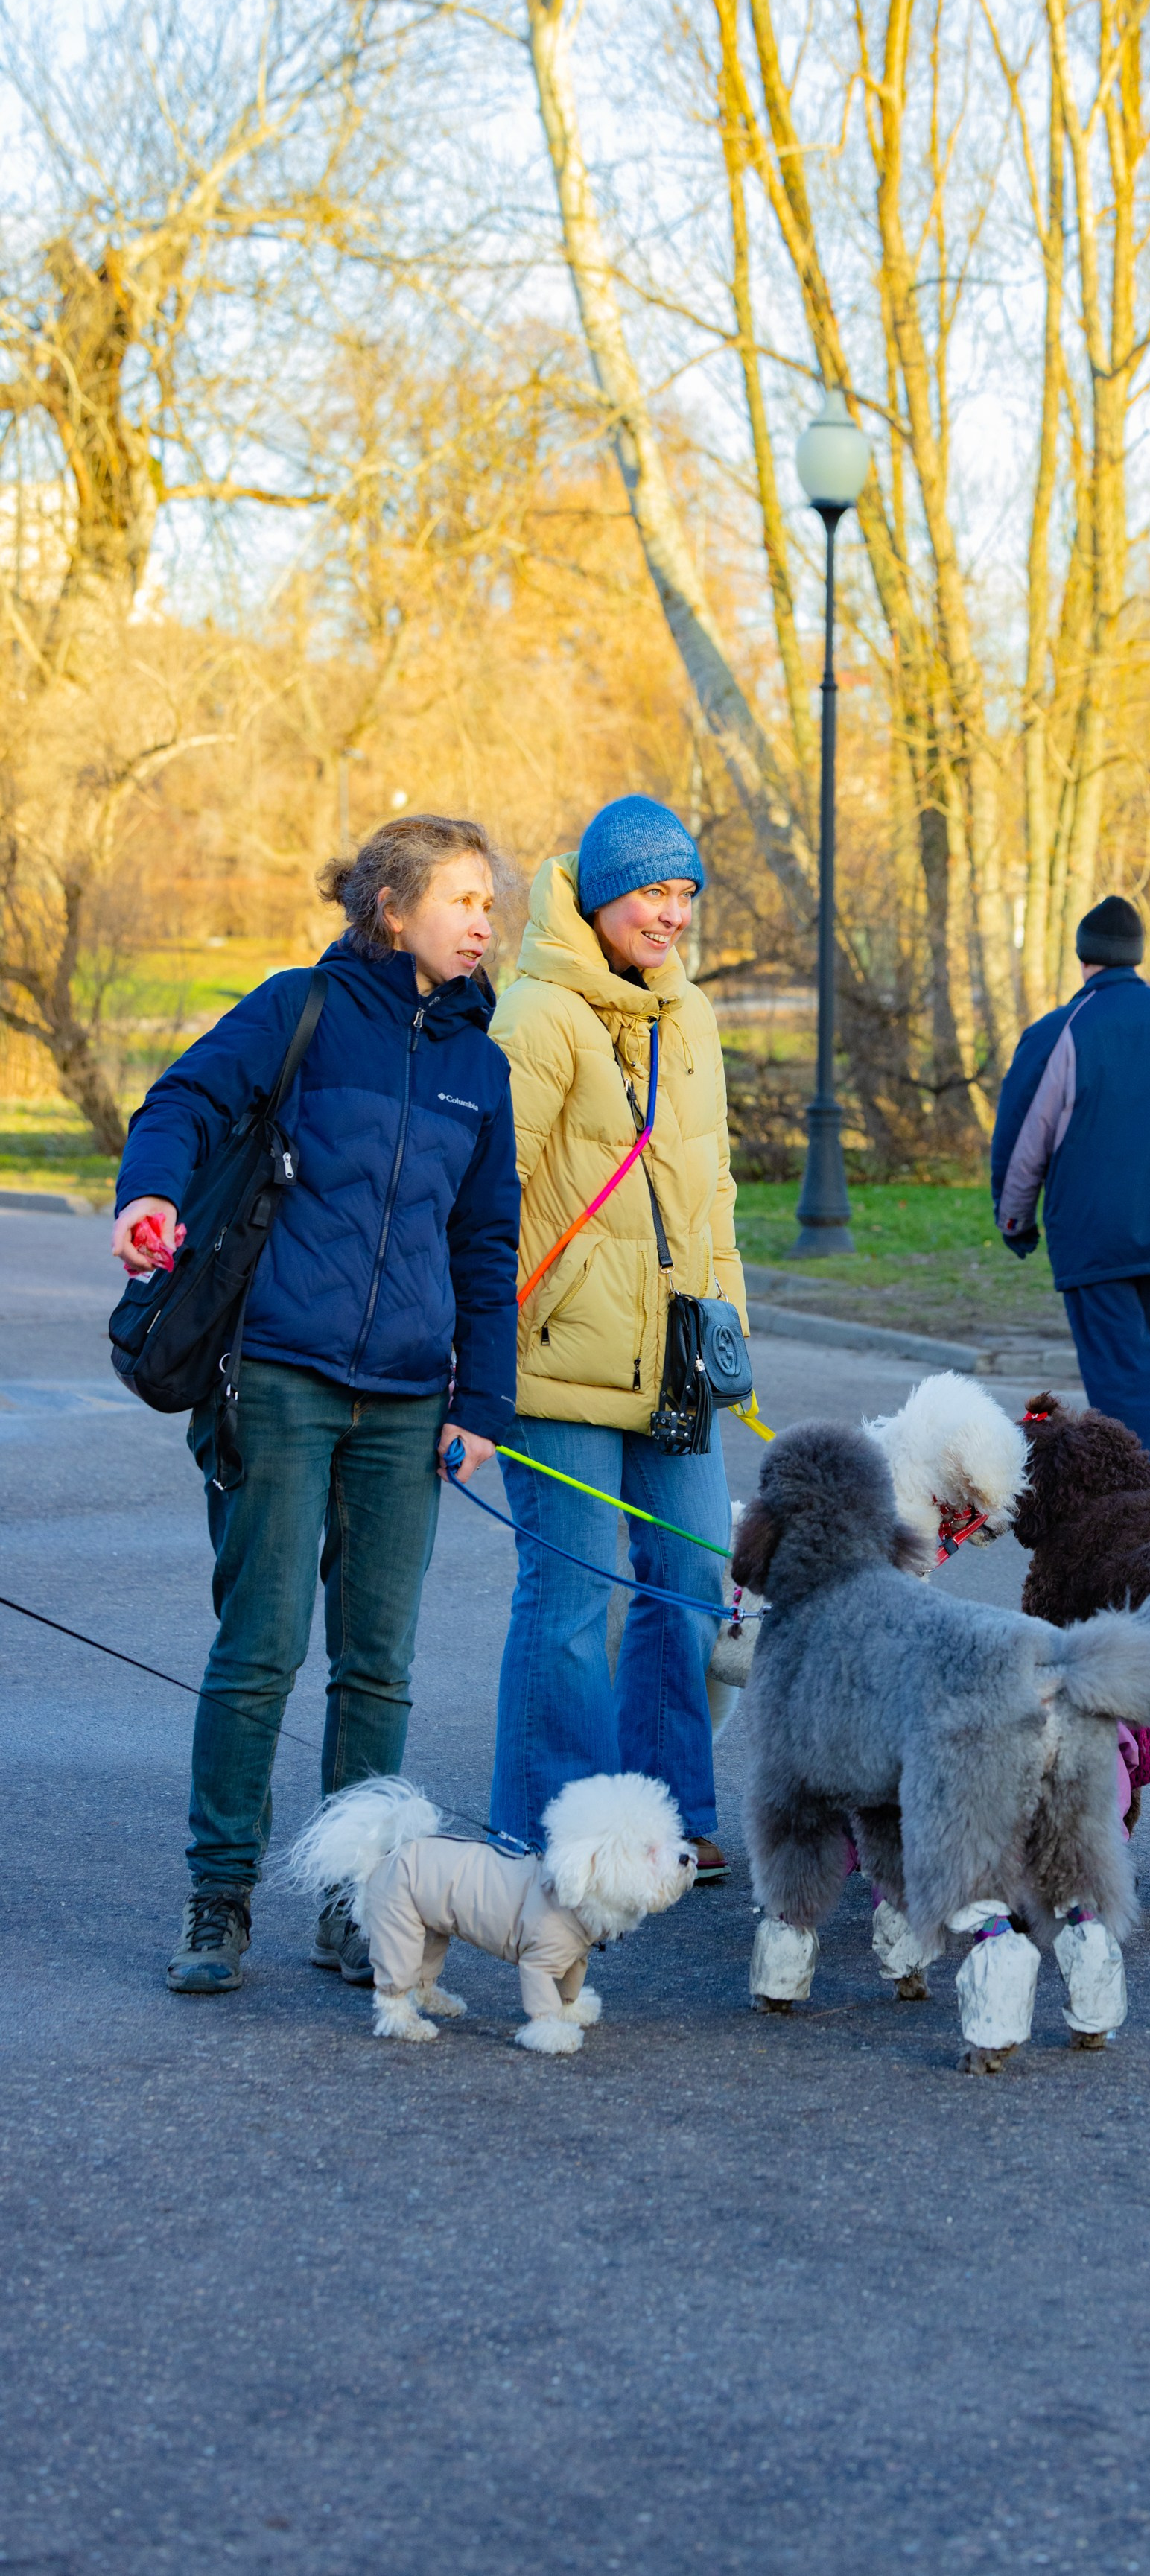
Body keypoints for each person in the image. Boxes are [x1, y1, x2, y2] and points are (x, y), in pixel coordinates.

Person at [112, 817, 521, 1996]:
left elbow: (486, 1242)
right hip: (280, 1379)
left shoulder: (477, 1065)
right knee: (260, 1652)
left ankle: (355, 1905)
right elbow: (181, 1104)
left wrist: (478, 1400)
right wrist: (148, 1200)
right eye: (461, 900)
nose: (484, 921)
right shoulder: (302, 1009)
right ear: (391, 910)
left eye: (490, 902)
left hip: (406, 1403)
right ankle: (217, 1898)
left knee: (378, 1668)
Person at [487, 795, 747, 1881]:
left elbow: (711, 1187)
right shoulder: (537, 1013)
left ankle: (667, 1817)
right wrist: (470, 1350)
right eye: (653, 891)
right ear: (600, 895)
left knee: (692, 1575)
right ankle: (550, 1832)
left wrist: (725, 1317)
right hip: (556, 1362)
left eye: (685, 893)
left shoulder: (687, 1016)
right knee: (569, 1596)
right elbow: (483, 1194)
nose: (672, 913)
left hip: (676, 1357)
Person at [990, 894, 1150, 1479]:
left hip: (1094, 1232)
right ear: (1136, 955)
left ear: (1084, 957)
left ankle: (1143, 1499)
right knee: (1143, 1368)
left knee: (1122, 1381)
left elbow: (1026, 1137)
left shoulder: (1061, 1030)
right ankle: (1144, 1499)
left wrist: (1014, 1219)